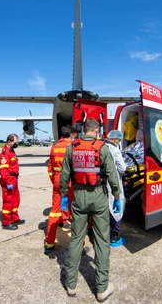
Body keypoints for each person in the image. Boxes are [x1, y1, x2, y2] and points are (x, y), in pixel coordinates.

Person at [59, 118, 122, 302]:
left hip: (79, 196)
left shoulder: (72, 146)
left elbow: (64, 174)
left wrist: (64, 195)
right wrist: (117, 197)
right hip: (99, 197)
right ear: (96, 130)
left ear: (83, 130)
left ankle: (71, 285)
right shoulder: (102, 147)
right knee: (102, 239)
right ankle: (102, 288)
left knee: (77, 237)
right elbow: (112, 174)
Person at [44, 125, 75, 255]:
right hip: (70, 184)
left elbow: (50, 169)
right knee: (75, 213)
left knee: (54, 212)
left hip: (57, 183)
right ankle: (79, 245)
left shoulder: (54, 147)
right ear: (71, 135)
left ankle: (49, 242)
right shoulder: (73, 147)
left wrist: (55, 182)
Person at [105, 130, 127, 246]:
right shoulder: (115, 150)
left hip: (102, 183)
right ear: (114, 139)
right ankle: (115, 235)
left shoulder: (101, 147)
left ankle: (103, 234)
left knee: (105, 208)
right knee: (117, 207)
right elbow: (122, 168)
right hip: (114, 183)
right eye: (118, 140)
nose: (118, 142)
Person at [0, 133, 25, 230]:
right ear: (9, 142)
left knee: (15, 200)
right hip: (8, 181)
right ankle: (6, 222)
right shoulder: (5, 154)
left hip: (14, 179)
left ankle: (14, 218)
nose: (16, 144)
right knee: (8, 201)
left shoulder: (12, 151)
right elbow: (3, 171)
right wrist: (8, 182)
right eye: (15, 142)